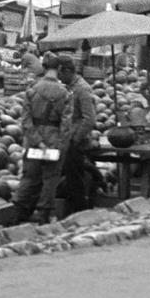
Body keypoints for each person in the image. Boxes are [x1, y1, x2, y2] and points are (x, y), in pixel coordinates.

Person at [12, 55, 71, 223]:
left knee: (29, 177)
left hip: (33, 142)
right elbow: (66, 125)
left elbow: (25, 121)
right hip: (54, 142)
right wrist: (59, 145)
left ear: (44, 68)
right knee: (50, 179)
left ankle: (18, 214)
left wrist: (38, 141)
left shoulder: (32, 91)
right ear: (59, 69)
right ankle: (43, 215)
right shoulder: (65, 93)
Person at [58, 57, 99, 215]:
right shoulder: (70, 87)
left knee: (76, 180)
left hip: (76, 142)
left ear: (68, 71)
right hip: (68, 139)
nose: (59, 77)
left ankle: (80, 212)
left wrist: (75, 139)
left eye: (61, 73)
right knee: (72, 177)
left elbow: (89, 119)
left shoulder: (82, 88)